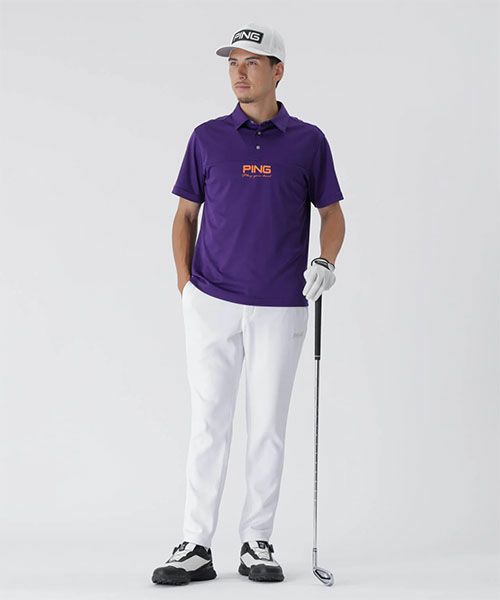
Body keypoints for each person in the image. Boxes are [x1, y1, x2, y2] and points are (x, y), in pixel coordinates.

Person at [152, 22, 346, 586]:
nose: (239, 72)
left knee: (267, 427)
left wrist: (326, 261)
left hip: (282, 304)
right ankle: (195, 544)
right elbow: (184, 216)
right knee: (209, 424)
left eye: (252, 62)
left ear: (277, 71)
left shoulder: (308, 141)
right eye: (233, 62)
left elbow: (332, 213)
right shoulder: (207, 138)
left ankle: (256, 540)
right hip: (211, 300)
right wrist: (187, 286)